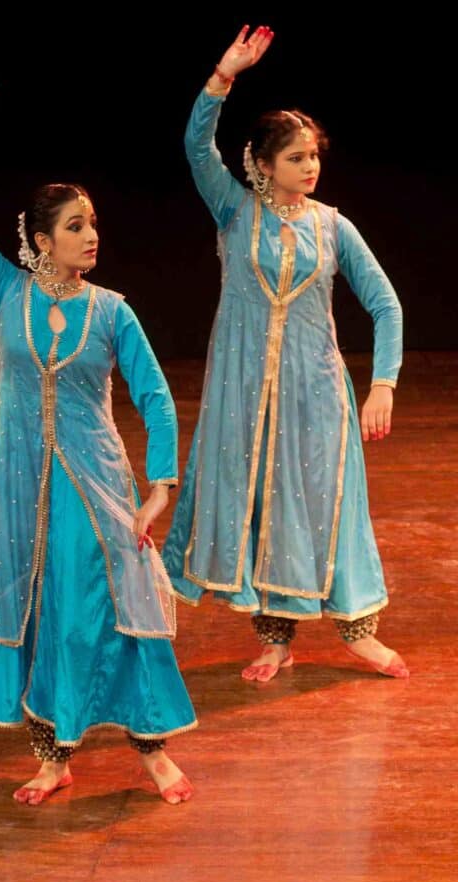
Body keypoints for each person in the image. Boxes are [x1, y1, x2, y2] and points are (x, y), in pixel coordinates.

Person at [0, 79, 196, 806]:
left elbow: (154, 397)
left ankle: (150, 748)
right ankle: (52, 755)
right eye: (77, 226)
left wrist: (159, 487)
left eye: (93, 224)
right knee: (37, 608)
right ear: (42, 239)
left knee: (102, 608)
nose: (92, 235)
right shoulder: (5, 290)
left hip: (95, 481)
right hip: (21, 485)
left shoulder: (114, 311)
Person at [162, 26, 408, 682]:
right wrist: (224, 75)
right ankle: (275, 637)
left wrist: (381, 383)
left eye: (313, 157)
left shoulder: (333, 226)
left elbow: (386, 304)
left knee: (325, 505)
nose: (310, 167)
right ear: (263, 163)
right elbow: (194, 145)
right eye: (296, 157)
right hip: (244, 392)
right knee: (264, 509)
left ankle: (359, 631)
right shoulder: (234, 211)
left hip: (316, 391)